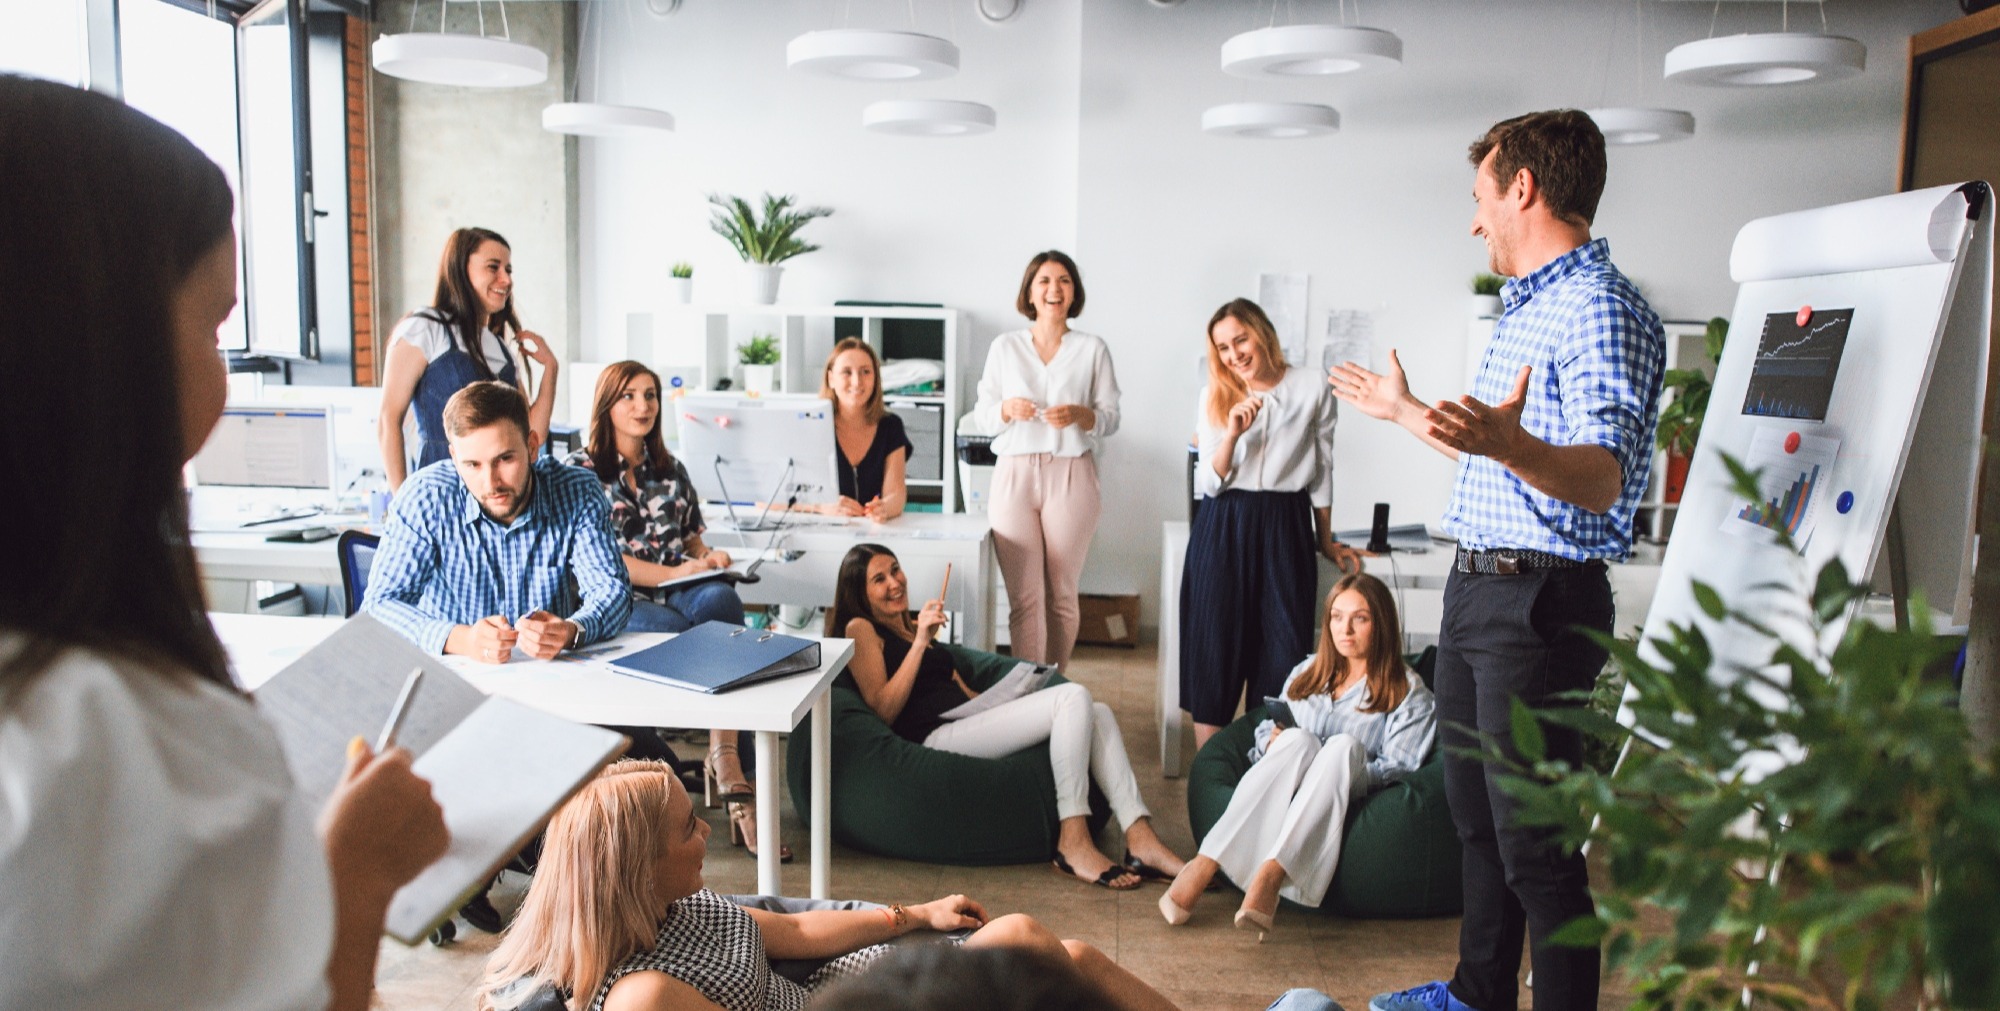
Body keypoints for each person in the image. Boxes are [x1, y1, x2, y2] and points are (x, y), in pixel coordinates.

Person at [0, 76, 449, 1009]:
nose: (225, 380)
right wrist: (356, 874)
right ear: (95, 348)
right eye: (212, 327)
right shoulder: (112, 746)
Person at [1328, 110, 1664, 1011]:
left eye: (1481, 197)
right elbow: (1500, 452)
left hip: (1542, 605)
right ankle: (1478, 995)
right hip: (1481, 587)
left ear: (1523, 188)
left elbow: (1604, 474)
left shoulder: (1603, 307)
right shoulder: (1531, 306)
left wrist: (1511, 447)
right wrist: (1406, 413)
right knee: (1475, 820)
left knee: (1537, 850)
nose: (1475, 221)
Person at [474, 761, 1182, 1011]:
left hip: (844, 985)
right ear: (636, 869)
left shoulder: (675, 907)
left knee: (1078, 957)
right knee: (1030, 941)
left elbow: (799, 928)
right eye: (690, 828)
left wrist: (915, 914)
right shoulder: (641, 995)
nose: (710, 835)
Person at [827, 544, 1186, 890]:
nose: (895, 582)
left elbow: (964, 695)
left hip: (964, 722)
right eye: (879, 579)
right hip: (934, 737)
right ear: (859, 593)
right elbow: (883, 709)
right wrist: (920, 642)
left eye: (895, 570)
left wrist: (1008, 696)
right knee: (1072, 697)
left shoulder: (911, 627)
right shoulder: (861, 628)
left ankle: (1141, 839)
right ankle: (1072, 840)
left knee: (1098, 712)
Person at [565, 361, 787, 862]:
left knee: (723, 602)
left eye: (650, 396)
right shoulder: (579, 473)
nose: (643, 406)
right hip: (620, 598)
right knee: (682, 629)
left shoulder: (670, 467)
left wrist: (709, 559)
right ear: (606, 404)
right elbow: (602, 562)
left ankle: (723, 752)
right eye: (629, 396)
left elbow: (691, 538)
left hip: (683, 585)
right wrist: (675, 575)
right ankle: (731, 775)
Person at [1161, 574, 1436, 938]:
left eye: (1360, 618)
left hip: (1349, 783)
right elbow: (1263, 728)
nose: (1346, 630)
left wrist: (1329, 761)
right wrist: (1274, 741)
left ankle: (1272, 873)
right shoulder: (1308, 670)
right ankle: (1206, 861)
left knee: (1341, 747)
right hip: (1289, 770)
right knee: (1298, 740)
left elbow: (1399, 766)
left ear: (1381, 623)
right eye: (1337, 617)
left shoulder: (1409, 691)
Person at [1183, 298, 1367, 750]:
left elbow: (1322, 468)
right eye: (1223, 348)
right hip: (1223, 524)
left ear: (1262, 333)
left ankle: (1264, 772)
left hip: (1286, 524)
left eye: (1240, 340)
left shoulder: (1310, 387)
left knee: (1283, 651)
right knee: (1214, 646)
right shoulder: (1216, 393)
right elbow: (1208, 481)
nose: (1234, 355)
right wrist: (1231, 434)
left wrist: (1325, 540)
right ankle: (1215, 779)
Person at [365, 380, 632, 665]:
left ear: (532, 447)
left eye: (505, 459)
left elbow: (611, 591)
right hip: (452, 675)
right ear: (455, 458)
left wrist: (571, 631)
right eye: (472, 465)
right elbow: (379, 606)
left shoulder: (576, 492)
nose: (491, 483)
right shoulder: (425, 498)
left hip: (545, 679)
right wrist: (461, 639)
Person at [970, 250, 1120, 670]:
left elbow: (1110, 418)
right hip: (1015, 474)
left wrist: (1081, 415)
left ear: (1074, 292)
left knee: (1062, 594)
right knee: (1024, 598)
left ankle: (1052, 685)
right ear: (1030, 292)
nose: (1055, 289)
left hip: (1072, 474)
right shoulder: (1005, 346)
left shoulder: (1092, 349)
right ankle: (1026, 692)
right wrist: (1004, 411)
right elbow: (982, 414)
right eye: (1045, 281)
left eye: (1064, 281)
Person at [378, 226, 559, 491]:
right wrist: (402, 505)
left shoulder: (500, 348)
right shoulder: (424, 329)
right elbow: (387, 422)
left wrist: (551, 370)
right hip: (441, 495)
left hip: (498, 500)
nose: (506, 280)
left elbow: (532, 434)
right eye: (493, 267)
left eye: (508, 270)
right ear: (461, 269)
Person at [813, 337, 912, 521]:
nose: (857, 381)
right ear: (831, 379)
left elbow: (896, 495)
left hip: (871, 537)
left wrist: (884, 508)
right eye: (846, 372)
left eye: (866, 372)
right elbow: (768, 499)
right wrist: (820, 506)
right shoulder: (812, 426)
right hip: (823, 535)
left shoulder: (891, 426)